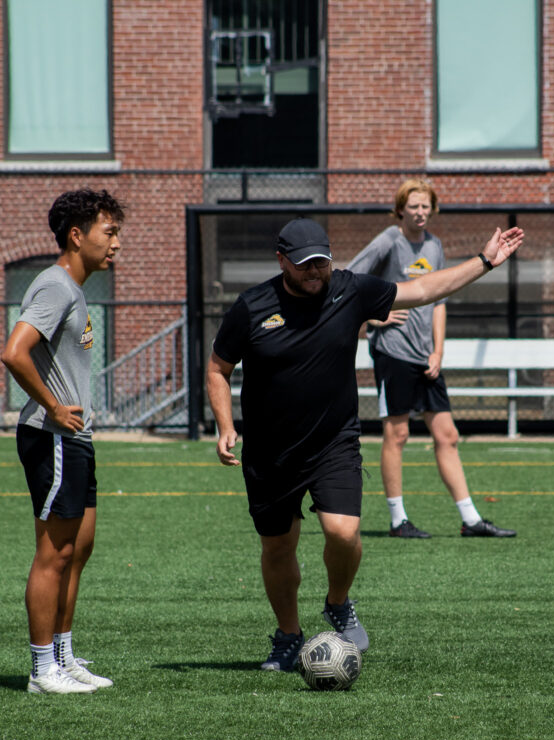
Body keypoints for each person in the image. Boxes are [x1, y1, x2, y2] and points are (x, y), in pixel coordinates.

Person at [206, 215, 524, 672]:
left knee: (344, 531)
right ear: (281, 262)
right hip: (271, 451)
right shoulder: (252, 306)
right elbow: (218, 368)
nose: (315, 272)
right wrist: (224, 424)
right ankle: (289, 637)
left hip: (334, 441)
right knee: (278, 548)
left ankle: (338, 602)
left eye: (321, 263)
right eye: (304, 265)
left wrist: (484, 262)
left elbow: (424, 291)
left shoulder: (350, 290)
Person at [1, 188, 125, 694]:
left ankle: (63, 655)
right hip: (51, 436)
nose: (116, 242)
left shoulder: (75, 289)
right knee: (55, 553)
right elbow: (14, 352)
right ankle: (41, 670)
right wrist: (53, 405)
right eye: (108, 232)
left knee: (78, 548)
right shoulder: (54, 286)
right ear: (77, 236)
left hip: (75, 438)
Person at [348, 179, 516, 539]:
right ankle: (397, 520)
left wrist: (438, 350)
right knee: (398, 434)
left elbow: (438, 300)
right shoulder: (388, 241)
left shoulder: (434, 246)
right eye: (414, 207)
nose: (421, 213)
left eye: (426, 206)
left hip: (426, 357)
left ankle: (470, 520)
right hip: (392, 352)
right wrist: (375, 318)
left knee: (447, 434)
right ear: (400, 210)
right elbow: (348, 283)